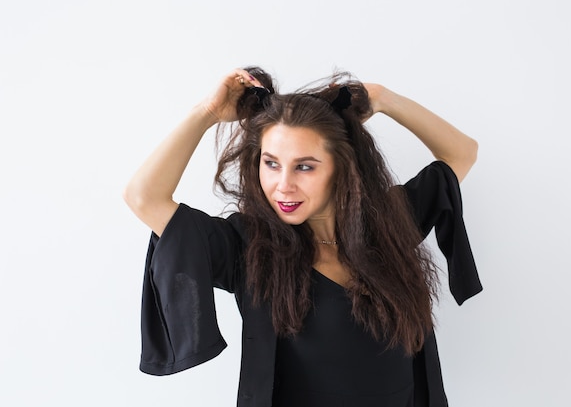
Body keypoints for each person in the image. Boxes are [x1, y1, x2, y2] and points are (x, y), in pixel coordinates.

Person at [123, 67, 482, 407]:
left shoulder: (386, 224)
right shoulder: (246, 246)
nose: (283, 185)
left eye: (305, 166)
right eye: (272, 163)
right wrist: (207, 112)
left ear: (342, 166)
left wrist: (383, 98)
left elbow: (462, 153)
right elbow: (144, 197)